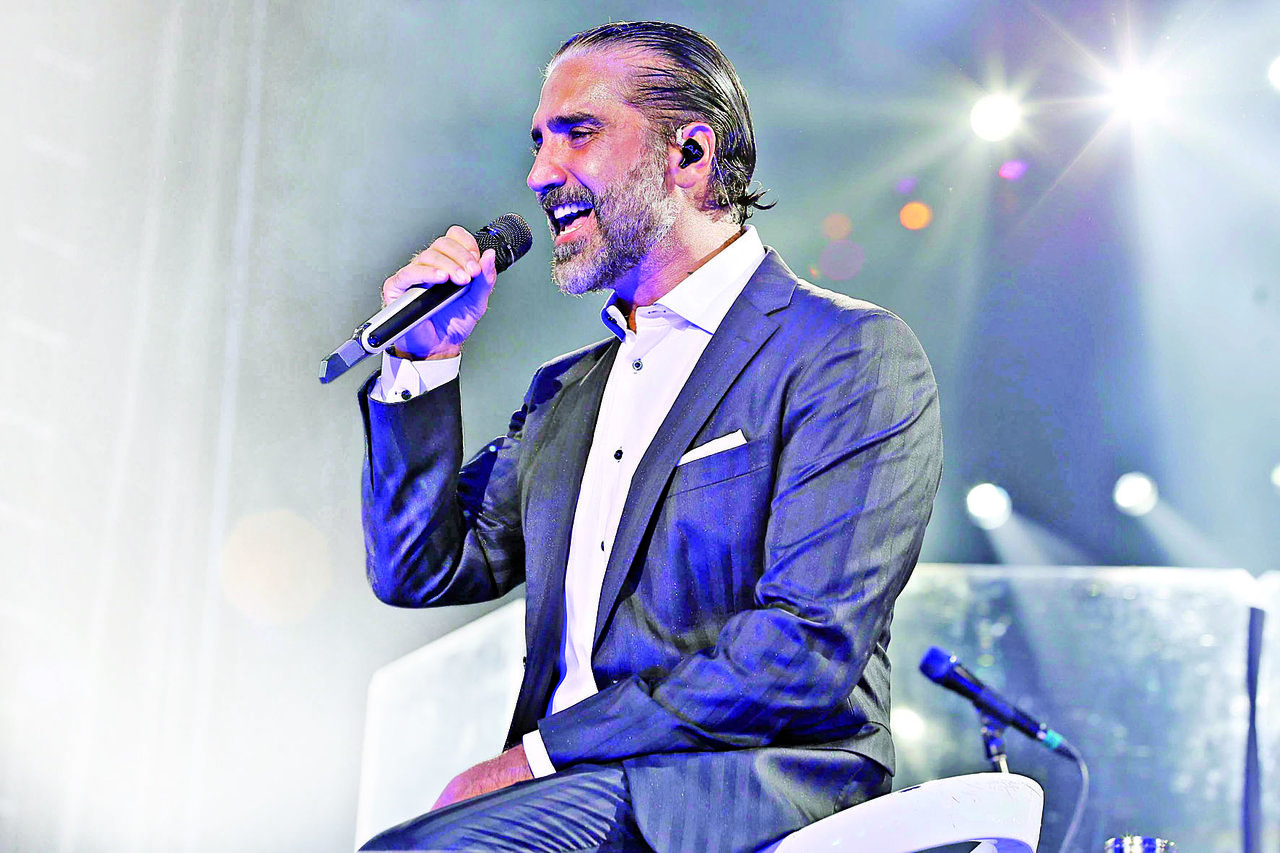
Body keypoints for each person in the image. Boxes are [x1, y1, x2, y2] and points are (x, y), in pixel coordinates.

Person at [357, 21, 943, 853]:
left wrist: (542, 754)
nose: (539, 173)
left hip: (738, 791)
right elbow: (421, 567)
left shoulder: (844, 354)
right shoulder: (565, 393)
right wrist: (422, 362)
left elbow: (804, 647)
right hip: (573, 794)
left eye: (578, 133)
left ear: (690, 153)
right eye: (538, 142)